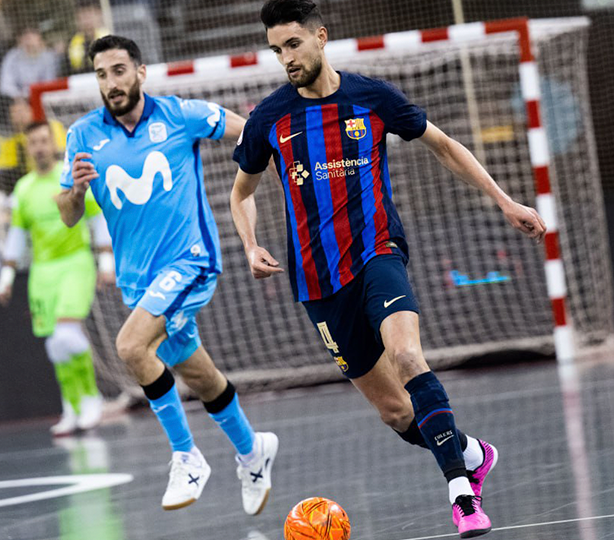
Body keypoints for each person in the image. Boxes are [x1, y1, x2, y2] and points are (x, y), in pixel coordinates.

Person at [230, 1, 547, 537]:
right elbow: (242, 193)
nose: (285, 57)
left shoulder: (372, 97)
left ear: (321, 37)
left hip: (378, 253)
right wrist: (249, 243)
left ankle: (462, 496)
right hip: (317, 283)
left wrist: (505, 201)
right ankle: (470, 452)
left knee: (405, 354)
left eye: (293, 44)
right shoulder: (269, 118)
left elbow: (443, 146)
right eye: (276, 49)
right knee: (397, 414)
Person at [56, 35, 278, 515]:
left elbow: (252, 135)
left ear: (139, 72)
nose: (110, 83)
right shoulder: (82, 136)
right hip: (139, 281)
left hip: (191, 262)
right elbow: (69, 215)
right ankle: (251, 449)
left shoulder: (180, 115)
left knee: (131, 347)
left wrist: (252, 201)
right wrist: (74, 192)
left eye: (118, 70)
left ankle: (186, 455)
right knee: (197, 373)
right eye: (100, 74)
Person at [0, 121, 112, 435]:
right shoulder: (23, 189)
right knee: (55, 344)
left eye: (44, 140)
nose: (39, 147)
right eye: (33, 142)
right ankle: (71, 407)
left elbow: (96, 216)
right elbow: (17, 236)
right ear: (27, 147)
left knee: (66, 335)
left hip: (75, 263)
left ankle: (91, 398)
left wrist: (106, 260)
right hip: (42, 273)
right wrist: (6, 277)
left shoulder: (69, 180)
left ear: (53, 143)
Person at [0, 27, 58, 100]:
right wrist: (20, 96)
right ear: (19, 38)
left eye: (33, 33)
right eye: (24, 33)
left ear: (40, 37)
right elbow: (5, 85)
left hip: (42, 99)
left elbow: (50, 84)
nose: (28, 37)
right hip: (17, 100)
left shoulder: (49, 57)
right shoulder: (12, 56)